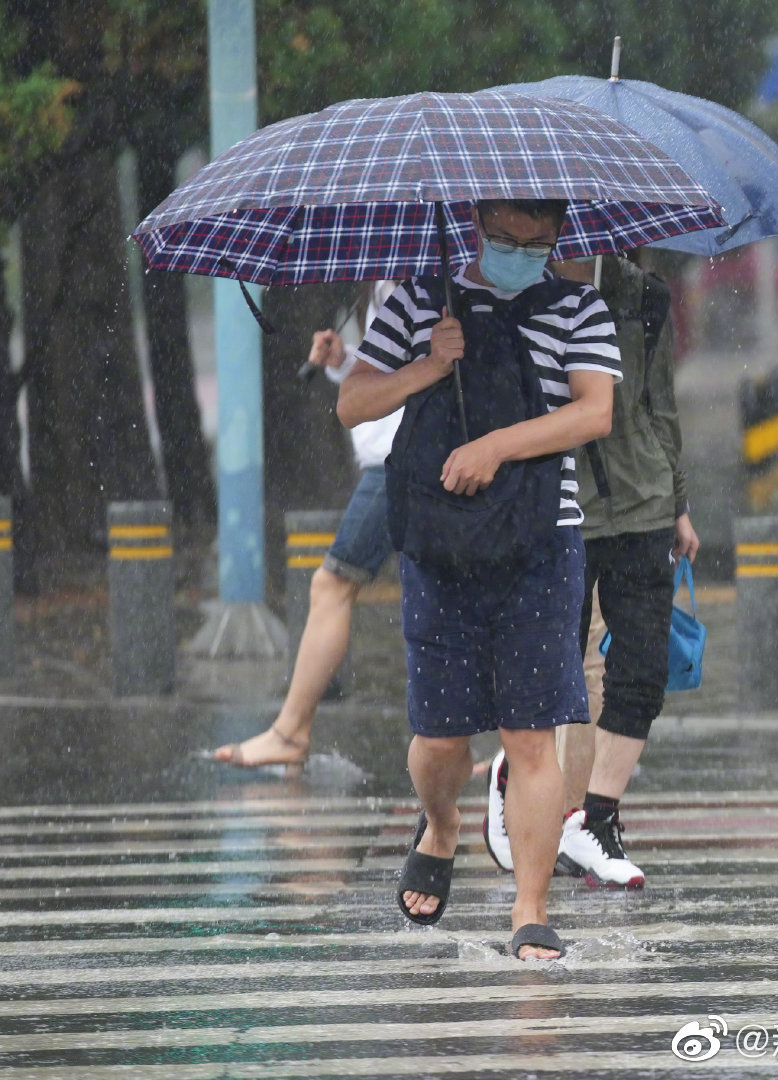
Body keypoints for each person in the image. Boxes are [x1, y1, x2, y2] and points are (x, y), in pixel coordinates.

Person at [338, 198, 619, 961]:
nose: (523, 253)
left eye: (539, 242)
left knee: (531, 735)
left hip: (539, 542)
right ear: (473, 224)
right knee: (439, 739)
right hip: (438, 543)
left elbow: (595, 412)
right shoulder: (418, 299)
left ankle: (530, 909)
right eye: (505, 239)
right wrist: (429, 365)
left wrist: (498, 444)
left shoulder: (578, 306)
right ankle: (441, 823)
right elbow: (352, 400)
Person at [483, 252, 698, 890]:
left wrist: (679, 502)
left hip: (642, 502)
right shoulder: (512, 293)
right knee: (554, 668)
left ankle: (597, 817)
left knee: (642, 670)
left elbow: (661, 405)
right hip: (558, 507)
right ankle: (513, 774)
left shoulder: (644, 296)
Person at [214, 281, 398, 769]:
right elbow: (396, 369)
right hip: (395, 459)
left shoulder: (425, 277)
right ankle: (512, 744)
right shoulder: (387, 281)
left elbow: (418, 374)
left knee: (333, 582)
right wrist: (344, 359)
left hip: (401, 462)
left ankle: (292, 730)